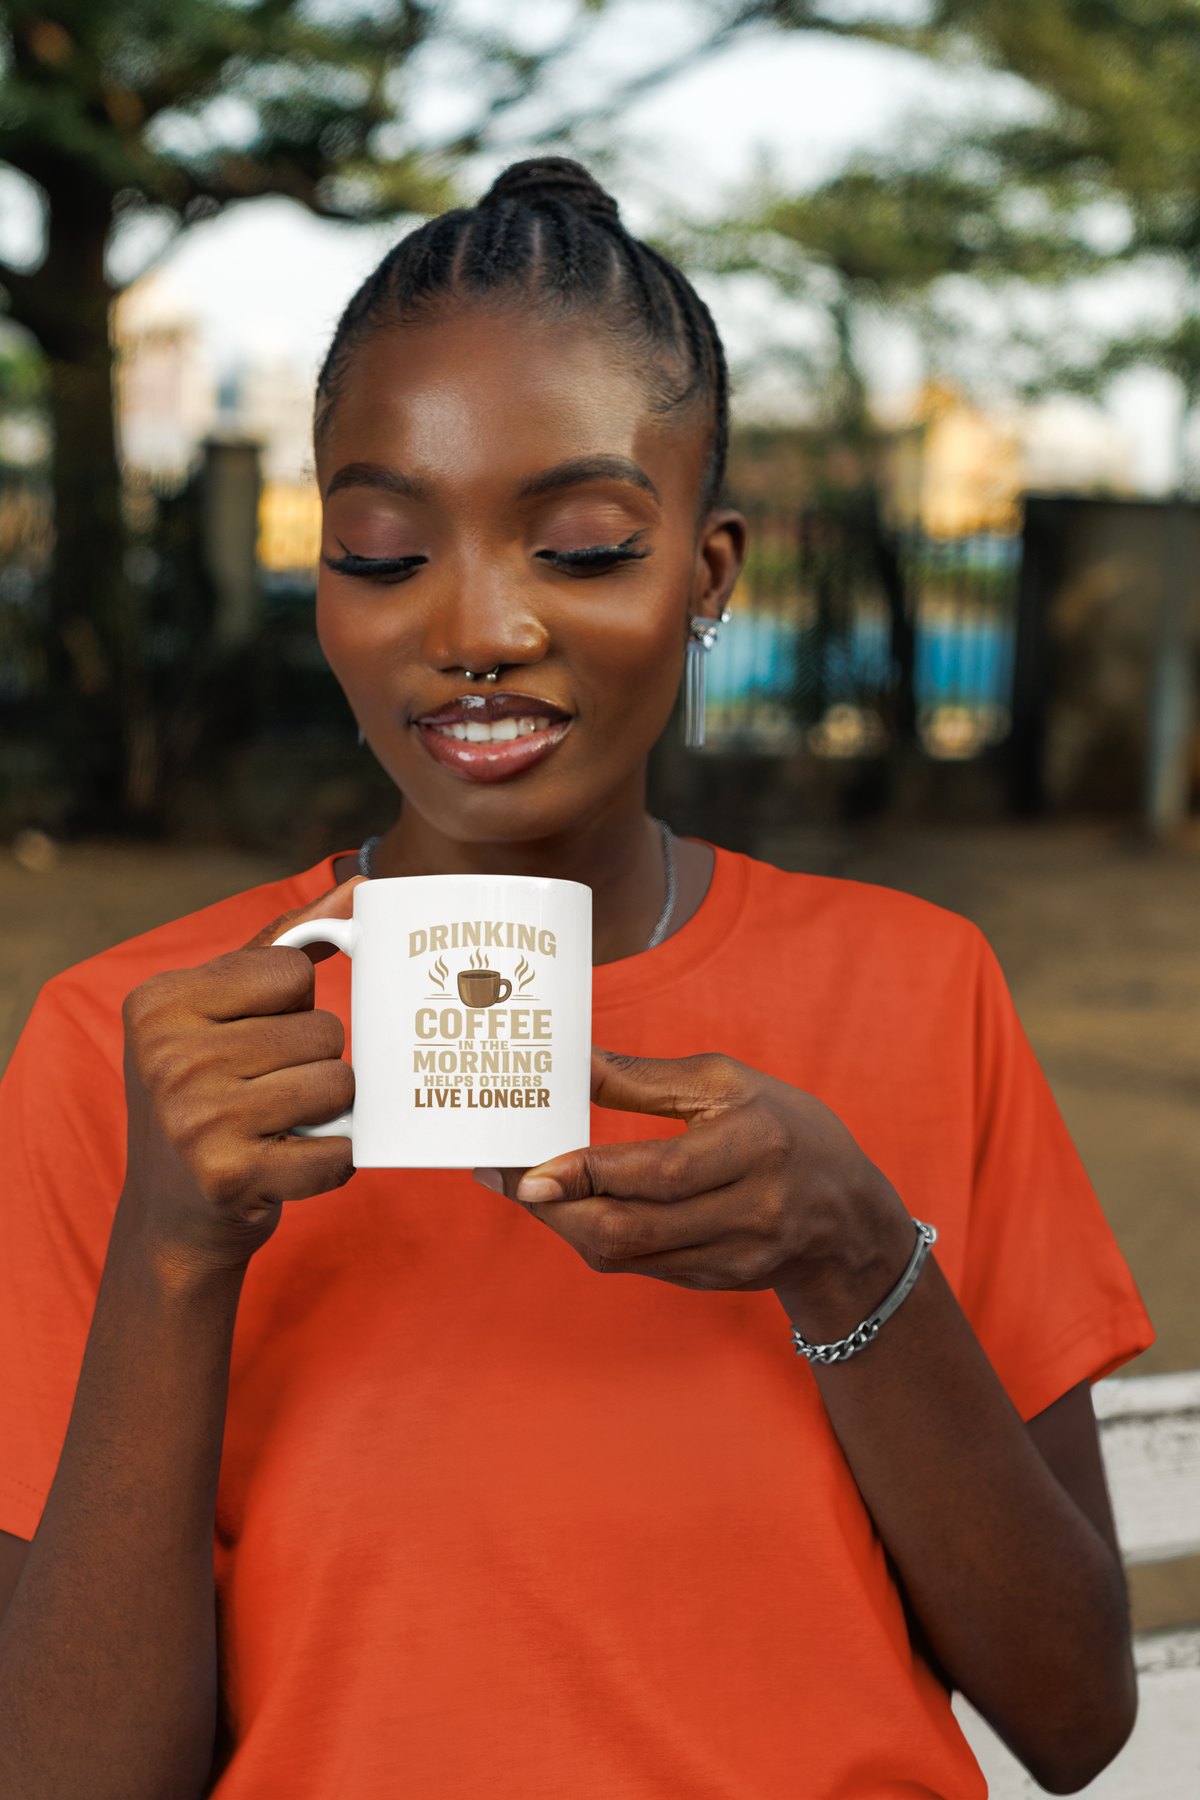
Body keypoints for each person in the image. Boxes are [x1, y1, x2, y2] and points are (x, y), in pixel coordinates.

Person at [0, 159, 1151, 1800]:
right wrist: (175, 1259)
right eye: (385, 552)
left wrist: (849, 1251)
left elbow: (1077, 1713)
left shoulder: (922, 990)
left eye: (587, 546)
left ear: (711, 574)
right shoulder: (135, 1055)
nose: (476, 626)